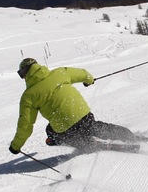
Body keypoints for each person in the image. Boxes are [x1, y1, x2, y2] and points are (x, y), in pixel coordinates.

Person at [9, 58, 139, 154]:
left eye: (21, 75)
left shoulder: (28, 96)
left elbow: (25, 126)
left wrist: (16, 146)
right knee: (94, 127)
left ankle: (86, 143)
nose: (23, 78)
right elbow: (83, 74)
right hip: (83, 115)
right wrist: (89, 80)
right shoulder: (60, 73)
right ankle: (128, 135)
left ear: (25, 73)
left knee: (51, 131)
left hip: (64, 127)